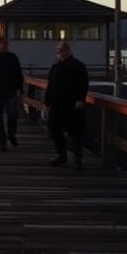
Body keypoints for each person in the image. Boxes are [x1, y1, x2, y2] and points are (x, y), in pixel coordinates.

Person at [44, 40, 90, 169]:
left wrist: (81, 99)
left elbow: (83, 84)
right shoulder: (55, 67)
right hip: (57, 104)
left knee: (75, 132)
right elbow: (50, 86)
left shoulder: (78, 66)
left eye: (61, 51)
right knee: (53, 128)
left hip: (73, 104)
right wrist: (46, 103)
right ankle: (62, 155)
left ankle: (78, 159)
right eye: (57, 51)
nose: (59, 54)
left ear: (68, 51)